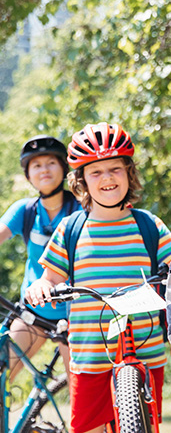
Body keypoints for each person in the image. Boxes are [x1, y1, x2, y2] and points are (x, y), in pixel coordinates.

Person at [25, 122, 171, 433]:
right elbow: (49, 276)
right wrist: (41, 287)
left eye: (115, 169)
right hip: (92, 353)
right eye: (96, 172)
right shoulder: (72, 228)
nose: (107, 178)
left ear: (129, 174)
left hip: (145, 349)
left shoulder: (148, 226)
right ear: (82, 181)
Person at [0, 135, 79, 379]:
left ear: (64, 169)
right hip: (33, 313)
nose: (44, 169)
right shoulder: (25, 210)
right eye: (36, 165)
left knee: (80, 391)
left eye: (51, 163)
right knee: (2, 373)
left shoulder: (81, 208)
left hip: (75, 316)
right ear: (28, 175)